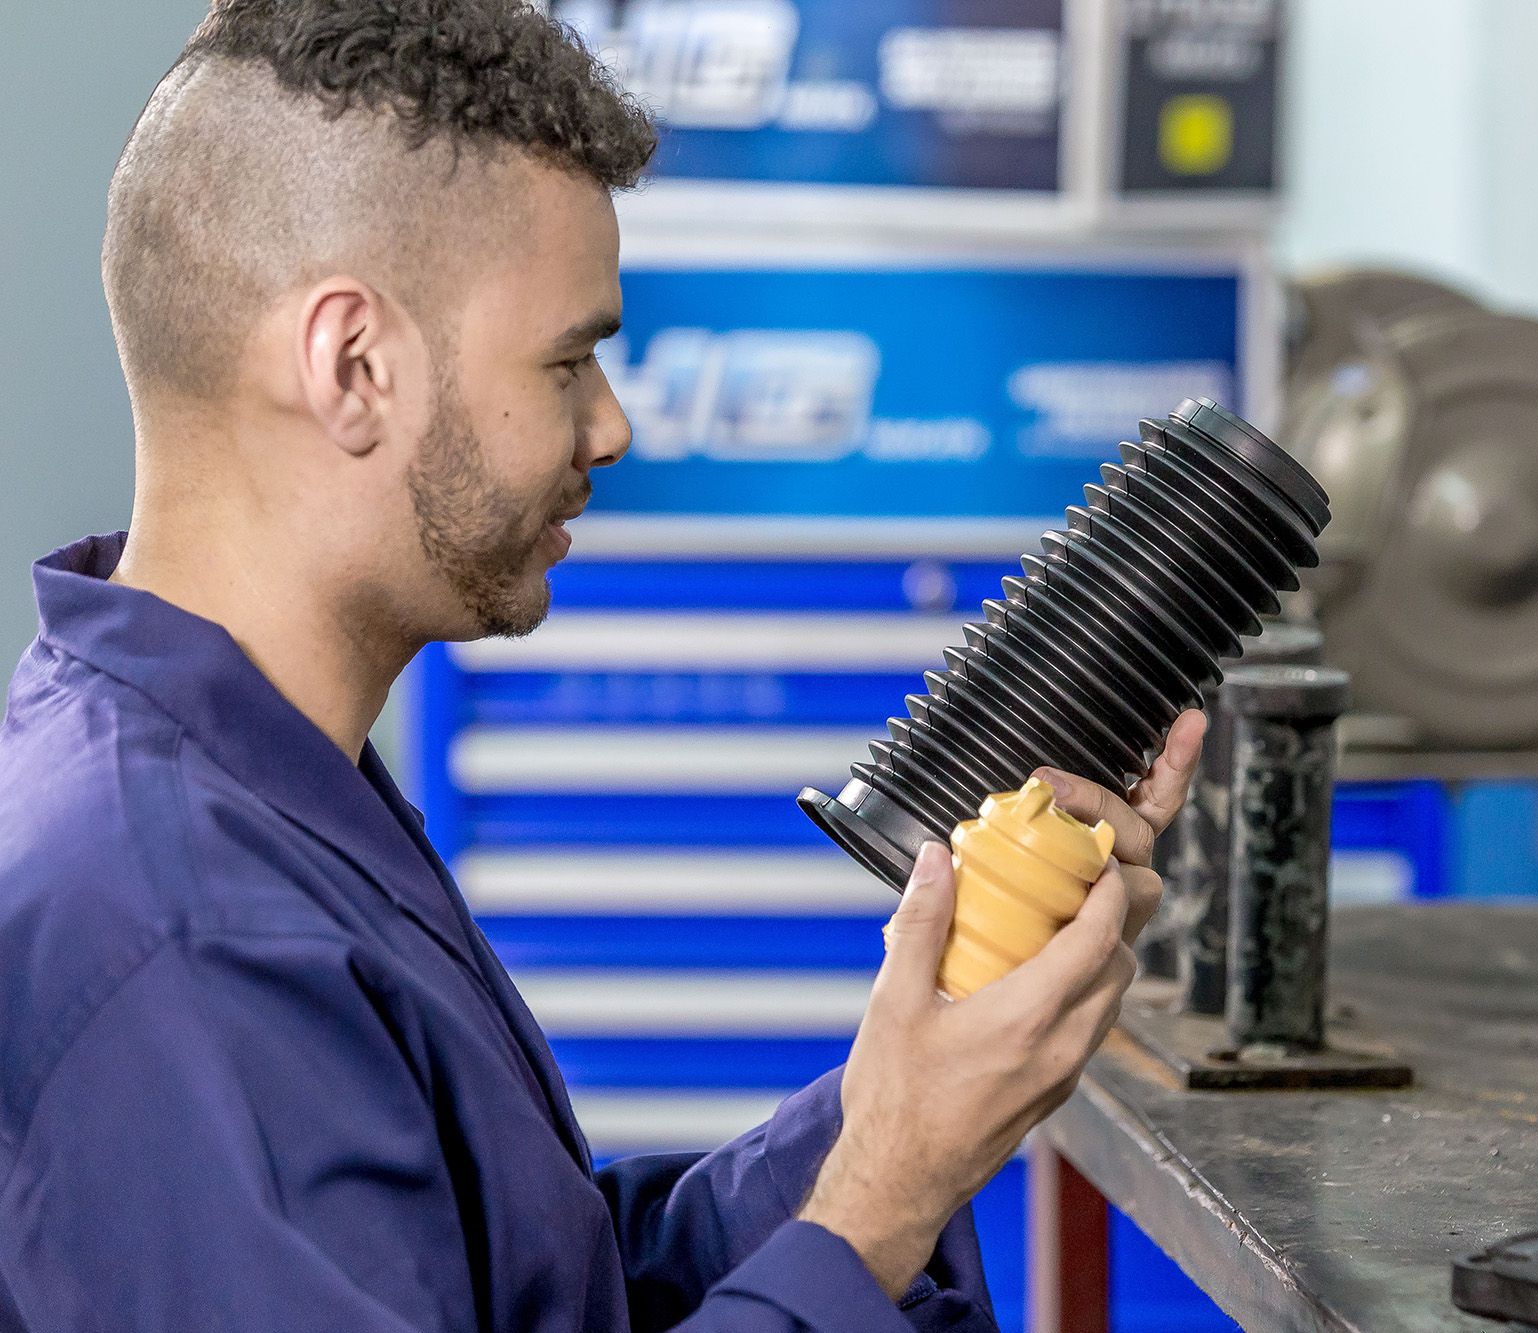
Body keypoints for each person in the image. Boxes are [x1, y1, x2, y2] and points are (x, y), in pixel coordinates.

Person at [0, 2, 1206, 1329]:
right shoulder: (184, 935)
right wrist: (882, 1192)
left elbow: (542, 1291)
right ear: (353, 364)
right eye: (568, 359)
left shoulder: (255, 801)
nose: (614, 424)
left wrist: (916, 1083)